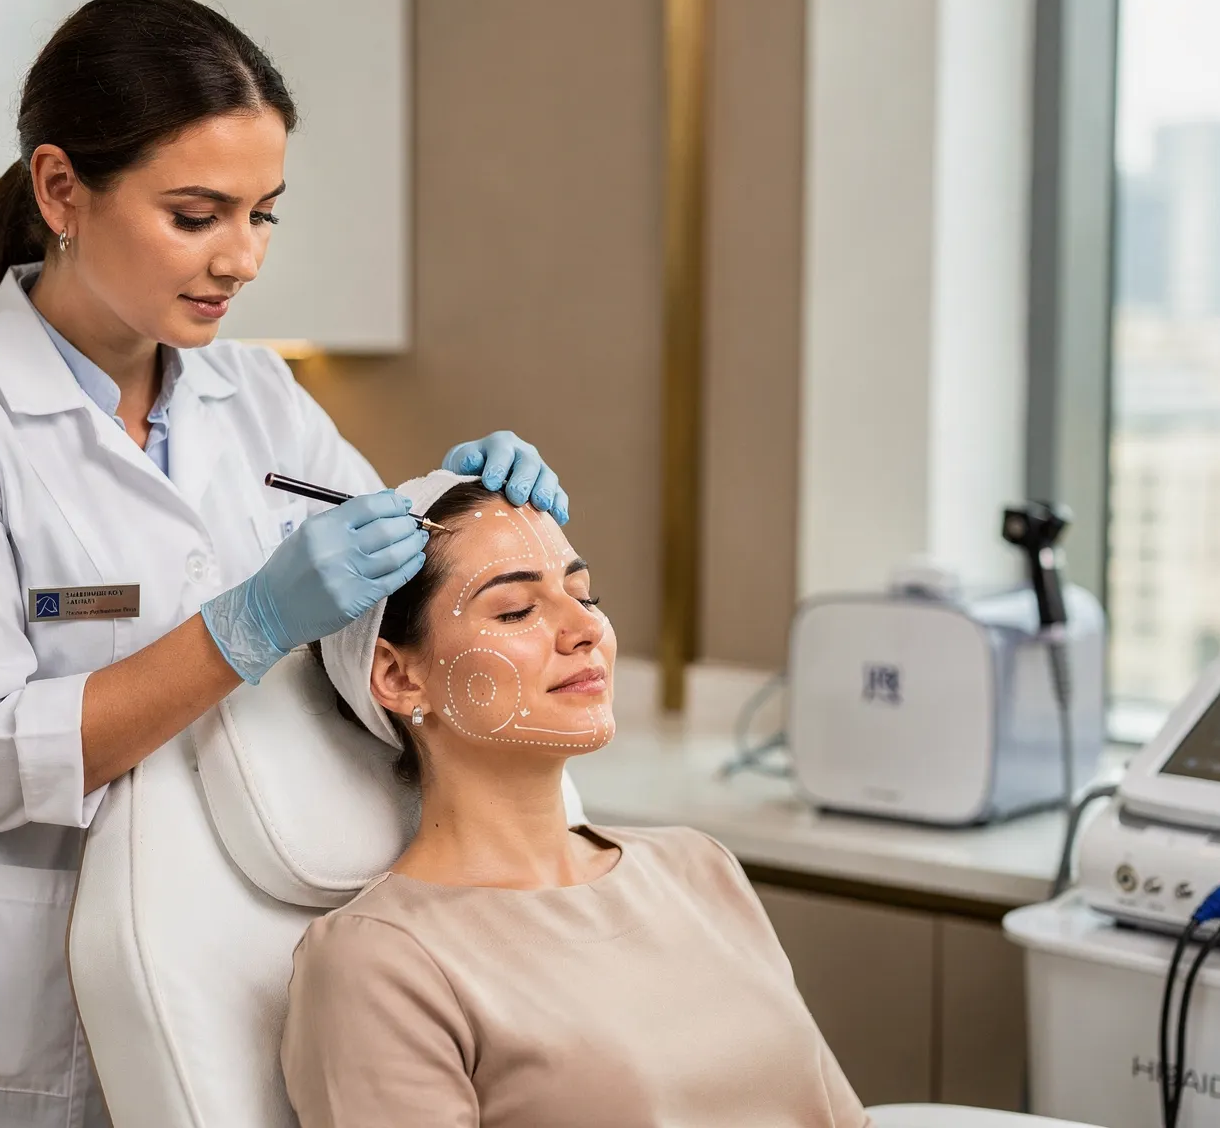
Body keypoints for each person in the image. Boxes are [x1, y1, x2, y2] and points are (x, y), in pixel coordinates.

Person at [0, 0, 570, 1127]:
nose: (242, 257)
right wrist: (244, 627)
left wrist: (459, 508)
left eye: (265, 213)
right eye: (196, 214)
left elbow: (390, 615)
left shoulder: (258, 395)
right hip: (15, 997)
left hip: (233, 951)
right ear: (61, 188)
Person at [283, 471, 871, 1128]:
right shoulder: (378, 964)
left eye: (586, 596)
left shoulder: (697, 868)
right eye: (516, 611)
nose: (583, 629)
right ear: (398, 675)